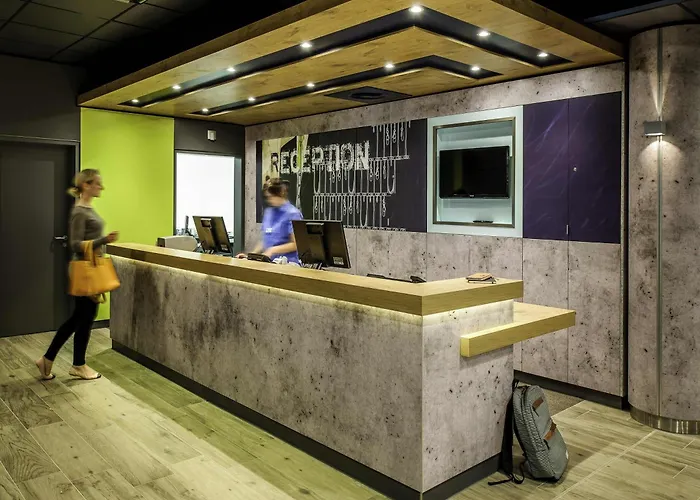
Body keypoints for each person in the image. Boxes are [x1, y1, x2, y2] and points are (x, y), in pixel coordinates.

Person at [35, 169, 119, 381]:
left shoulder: (86, 208)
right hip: (85, 270)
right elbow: (74, 244)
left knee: (80, 318)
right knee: (83, 318)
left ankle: (49, 360)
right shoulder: (80, 211)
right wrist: (104, 240)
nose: (101, 187)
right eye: (97, 183)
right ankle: (77, 365)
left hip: (90, 267)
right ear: (86, 185)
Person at [237, 178, 302, 263]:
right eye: (267, 197)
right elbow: (265, 241)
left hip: (288, 263)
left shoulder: (293, 214)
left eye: (271, 197)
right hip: (269, 262)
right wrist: (250, 256)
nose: (269, 200)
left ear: (280, 193)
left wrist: (273, 250)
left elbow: (296, 244)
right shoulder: (269, 212)